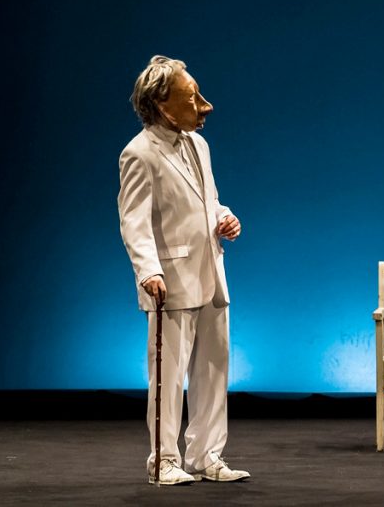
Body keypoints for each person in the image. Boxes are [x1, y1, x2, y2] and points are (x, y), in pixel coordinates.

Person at [118, 56, 249, 485]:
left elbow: (207, 200)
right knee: (168, 377)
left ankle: (207, 455)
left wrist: (224, 217)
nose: (204, 105)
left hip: (210, 272)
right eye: (191, 97)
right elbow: (134, 221)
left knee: (213, 370)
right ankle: (164, 461)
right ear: (162, 104)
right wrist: (148, 271)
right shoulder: (139, 154)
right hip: (170, 282)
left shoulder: (199, 145)